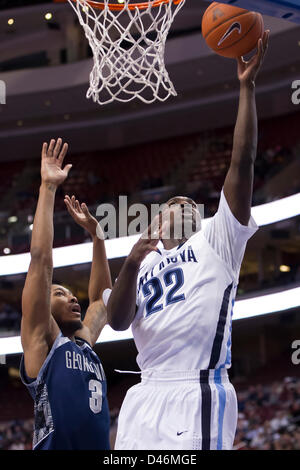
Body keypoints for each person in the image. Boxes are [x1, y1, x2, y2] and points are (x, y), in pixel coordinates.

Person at [105, 32, 269, 450]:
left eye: (190, 204)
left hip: (194, 388)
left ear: (202, 218)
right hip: (143, 394)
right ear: (158, 221)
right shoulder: (143, 261)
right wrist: (128, 262)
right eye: (173, 202)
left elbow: (242, 160)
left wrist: (246, 88)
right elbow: (118, 322)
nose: (183, 205)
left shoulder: (218, 240)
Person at [20, 138, 112, 450]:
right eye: (60, 293)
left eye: (72, 294)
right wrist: (48, 188)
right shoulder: (43, 340)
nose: (73, 298)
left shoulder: (84, 342)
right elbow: (40, 262)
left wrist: (97, 236)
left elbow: (102, 300)